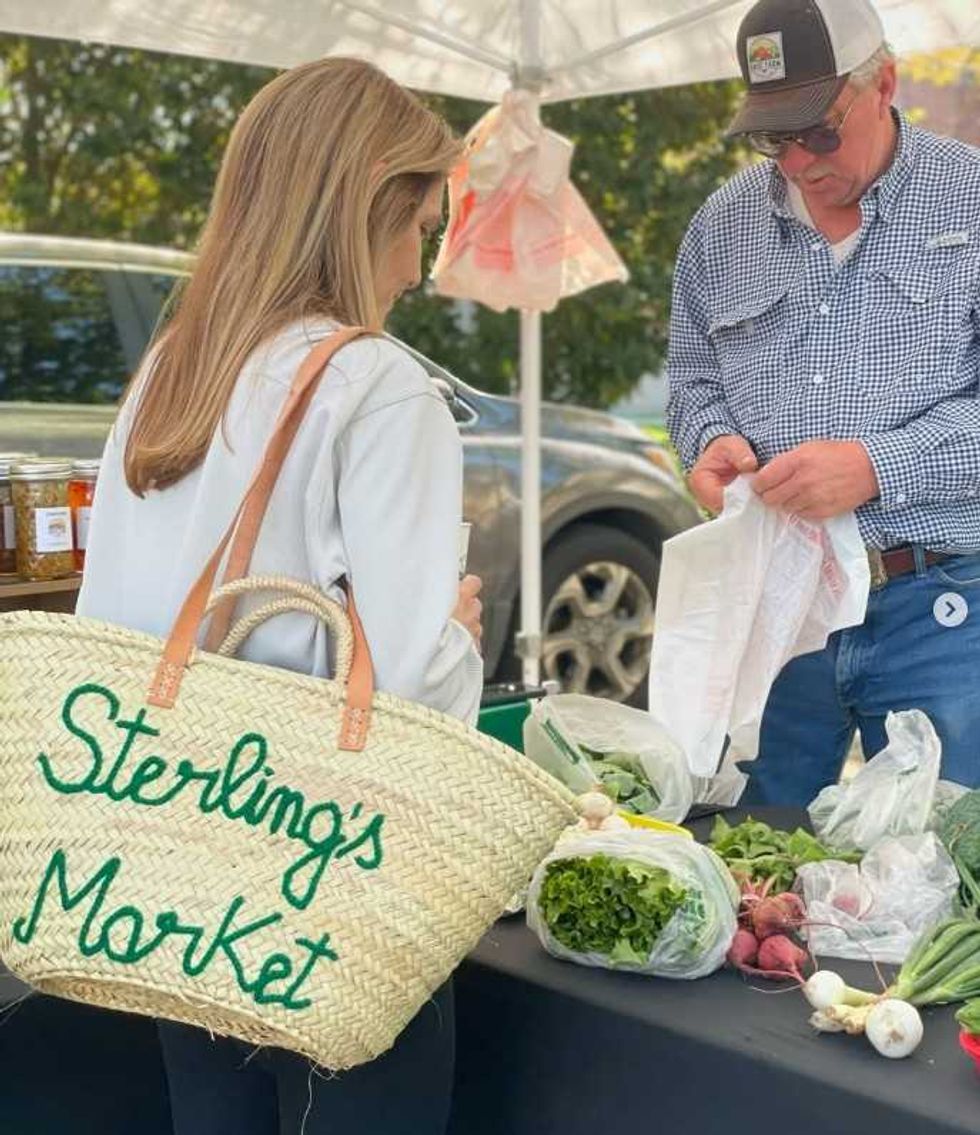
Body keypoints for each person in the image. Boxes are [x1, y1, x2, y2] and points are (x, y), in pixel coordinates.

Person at [76, 57, 482, 1135]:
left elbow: (113, 622)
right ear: (365, 214)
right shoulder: (378, 384)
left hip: (173, 870)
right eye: (416, 230)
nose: (416, 267)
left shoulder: (175, 367)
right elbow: (402, 694)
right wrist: (458, 632)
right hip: (324, 873)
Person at [666, 0, 980, 805]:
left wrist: (877, 466)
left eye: (820, 132)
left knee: (940, 883)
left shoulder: (970, 203)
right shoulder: (720, 226)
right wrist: (710, 442)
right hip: (772, 605)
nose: (799, 163)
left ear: (886, 83)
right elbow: (694, 383)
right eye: (774, 136)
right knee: (749, 873)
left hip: (939, 608)